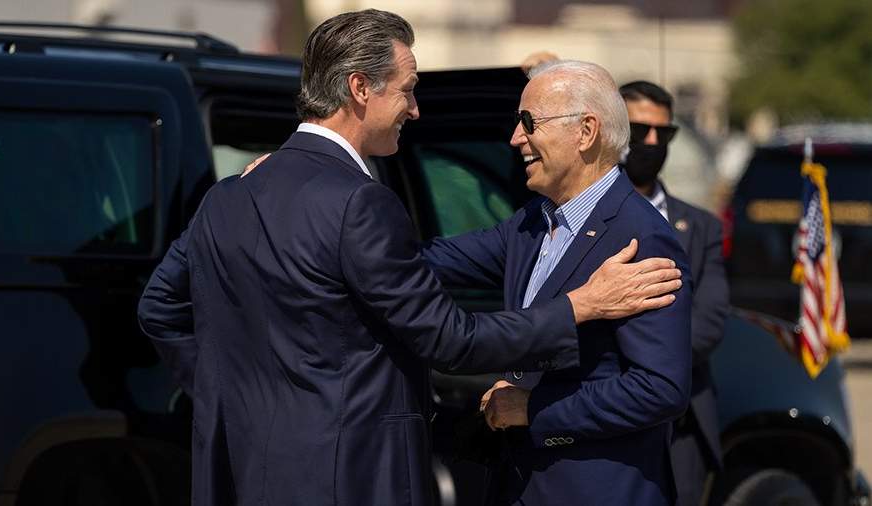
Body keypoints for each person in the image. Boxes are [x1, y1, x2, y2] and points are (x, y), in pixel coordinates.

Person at [137, 10, 684, 506]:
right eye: (408, 90)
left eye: (528, 122)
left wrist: (226, 399)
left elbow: (160, 306)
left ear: (586, 132)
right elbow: (450, 339)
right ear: (359, 88)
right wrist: (579, 307)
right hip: (348, 475)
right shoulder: (360, 203)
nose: (416, 109)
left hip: (245, 468)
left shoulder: (228, 196)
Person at [422, 60, 693, 505]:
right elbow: (430, 262)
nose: (516, 138)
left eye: (529, 122)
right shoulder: (532, 222)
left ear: (586, 132)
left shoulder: (640, 237)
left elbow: (659, 389)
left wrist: (532, 409)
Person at [620, 80, 730, 506]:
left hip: (680, 422)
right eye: (638, 130)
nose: (651, 142)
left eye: (663, 133)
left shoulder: (700, 226)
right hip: (604, 414)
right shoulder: (581, 215)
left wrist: (646, 372)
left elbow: (709, 321)